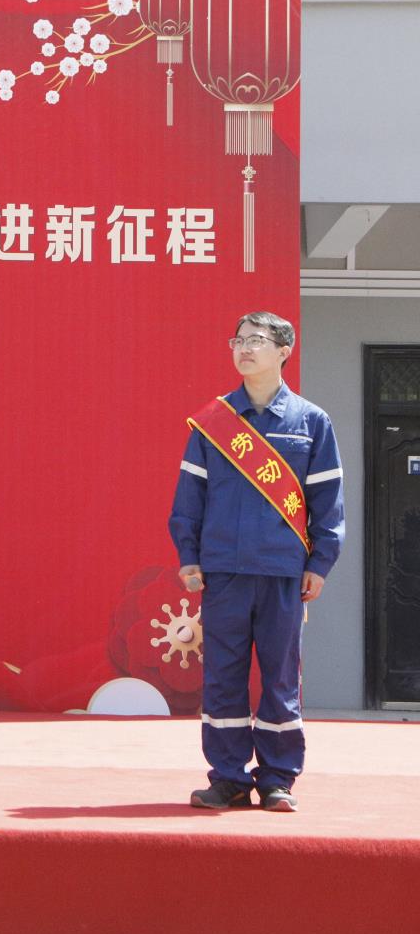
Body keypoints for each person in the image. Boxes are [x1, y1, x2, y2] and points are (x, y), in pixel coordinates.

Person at [170, 312, 343, 813]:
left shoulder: (311, 422)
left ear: (284, 350)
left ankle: (277, 778)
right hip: (224, 570)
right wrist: (189, 555)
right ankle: (227, 777)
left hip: (282, 571)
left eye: (256, 340)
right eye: (238, 340)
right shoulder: (214, 422)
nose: (244, 348)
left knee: (280, 677)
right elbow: (190, 497)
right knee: (222, 676)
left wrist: (320, 562)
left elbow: (327, 501)